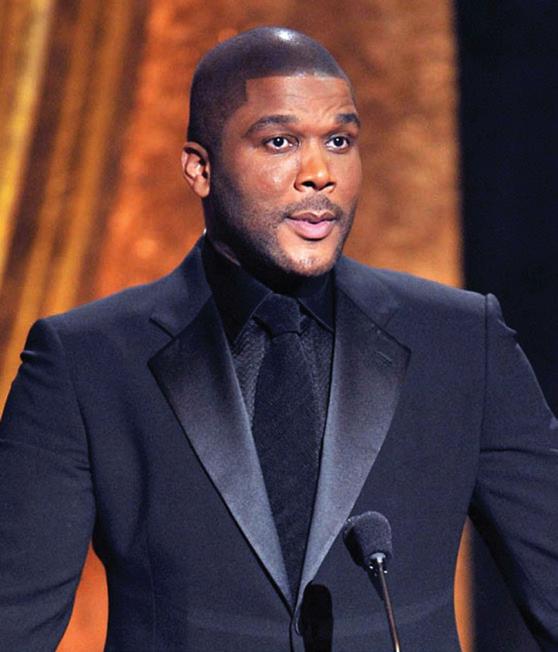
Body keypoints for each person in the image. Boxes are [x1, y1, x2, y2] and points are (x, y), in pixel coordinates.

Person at [0, 26, 557, 652]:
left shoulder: (461, 341)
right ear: (200, 168)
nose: (319, 174)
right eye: (280, 142)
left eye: (339, 141)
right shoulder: (86, 362)